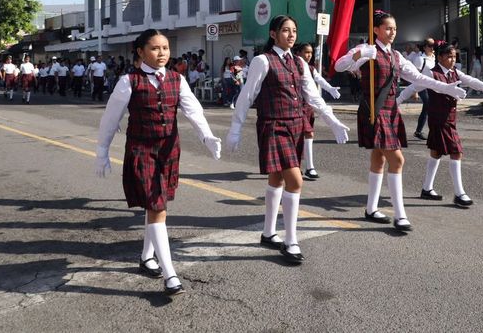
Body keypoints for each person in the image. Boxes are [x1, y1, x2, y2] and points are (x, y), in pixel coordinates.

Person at [96, 29, 222, 295]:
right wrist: (102, 151)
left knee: (156, 206)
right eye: (155, 48)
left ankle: (145, 258)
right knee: (157, 206)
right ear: (140, 51)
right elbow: (110, 118)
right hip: (142, 150)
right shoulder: (128, 81)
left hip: (168, 150)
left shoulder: (177, 78)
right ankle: (170, 274)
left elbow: (193, 109)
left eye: (165, 48)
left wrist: (207, 136)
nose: (162, 53)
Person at [226, 15, 349, 264]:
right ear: (273, 34)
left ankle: (268, 232)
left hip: (295, 125)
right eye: (285, 30)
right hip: (273, 125)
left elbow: (313, 97)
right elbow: (246, 95)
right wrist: (235, 128)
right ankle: (290, 240)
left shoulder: (300, 63)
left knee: (277, 177)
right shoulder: (263, 61)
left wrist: (333, 120)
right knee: (295, 180)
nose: (291, 35)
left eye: (294, 30)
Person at [335, 10, 467, 232]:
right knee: (397, 161)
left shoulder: (397, 56)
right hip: (374, 112)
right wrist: (359, 55)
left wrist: (445, 87)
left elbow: (418, 77)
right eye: (388, 28)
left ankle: (370, 208)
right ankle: (400, 215)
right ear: (376, 30)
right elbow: (339, 66)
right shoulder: (366, 50)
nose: (392, 32)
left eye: (394, 29)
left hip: (390, 111)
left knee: (379, 159)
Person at [399, 42, 483, 206]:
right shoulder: (431, 72)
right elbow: (414, 87)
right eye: (449, 56)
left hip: (449, 118)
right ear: (440, 57)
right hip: (438, 119)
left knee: (436, 152)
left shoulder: (454, 71)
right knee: (456, 152)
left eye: (454, 56)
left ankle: (427, 189)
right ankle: (459, 193)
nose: (452, 59)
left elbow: (471, 81)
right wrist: (397, 101)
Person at [294, 43, 341, 181]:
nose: (309, 55)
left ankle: (307, 167)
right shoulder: (294, 65)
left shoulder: (310, 68)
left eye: (310, 53)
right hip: (296, 106)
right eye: (306, 52)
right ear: (299, 52)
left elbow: (319, 79)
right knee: (302, 135)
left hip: (308, 107)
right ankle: (302, 167)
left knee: (307, 135)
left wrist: (330, 88)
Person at [410, 38, 436, 141]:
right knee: (428, 105)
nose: (432, 48)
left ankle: (419, 131)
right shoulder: (420, 59)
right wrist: (414, 91)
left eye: (433, 45)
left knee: (426, 109)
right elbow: (415, 76)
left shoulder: (434, 58)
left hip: (432, 87)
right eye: (430, 45)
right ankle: (431, 131)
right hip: (421, 86)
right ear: (425, 47)